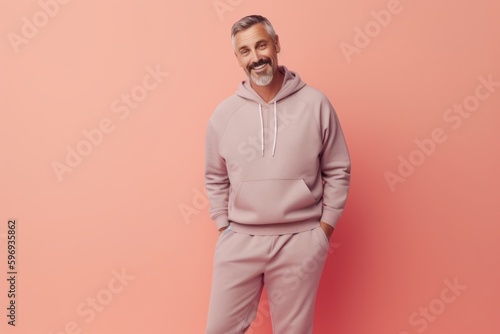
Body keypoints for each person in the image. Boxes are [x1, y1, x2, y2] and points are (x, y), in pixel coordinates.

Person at [204, 14, 351, 334]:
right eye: (245, 51)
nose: (255, 57)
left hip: (300, 241)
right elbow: (215, 176)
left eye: (261, 45)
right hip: (240, 239)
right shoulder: (224, 114)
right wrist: (223, 227)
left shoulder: (315, 104)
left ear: (276, 44)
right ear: (237, 58)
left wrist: (322, 232)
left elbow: (338, 169)